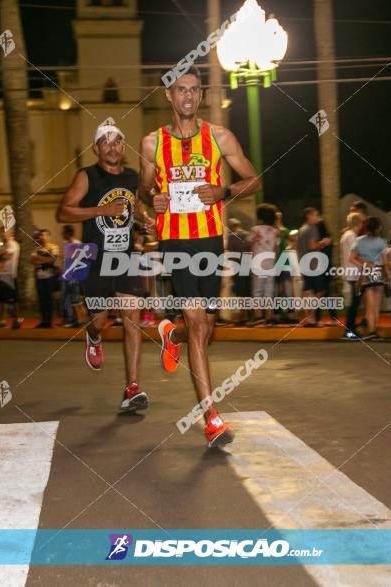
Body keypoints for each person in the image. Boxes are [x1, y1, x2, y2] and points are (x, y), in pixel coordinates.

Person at [138, 66, 260, 448]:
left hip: (209, 240)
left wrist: (223, 192)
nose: (187, 96)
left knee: (205, 327)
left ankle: (169, 331)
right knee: (197, 325)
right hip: (175, 242)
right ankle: (211, 418)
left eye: (193, 90)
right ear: (169, 97)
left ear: (201, 95)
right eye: (180, 90)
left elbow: (255, 179)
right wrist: (150, 199)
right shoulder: (151, 144)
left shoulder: (219, 137)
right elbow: (142, 188)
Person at [57, 119, 149, 411]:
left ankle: (132, 388)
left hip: (125, 257)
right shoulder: (86, 176)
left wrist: (144, 220)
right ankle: (93, 336)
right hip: (94, 258)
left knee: (132, 321)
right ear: (96, 149)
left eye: (117, 141)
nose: (112, 147)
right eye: (106, 142)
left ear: (123, 146)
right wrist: (101, 210)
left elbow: (133, 210)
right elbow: (63, 213)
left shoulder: (133, 176)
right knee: (99, 320)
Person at [350, 217, 387, 341]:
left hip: (367, 271)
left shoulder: (358, 241)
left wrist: (364, 264)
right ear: (377, 228)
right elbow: (385, 261)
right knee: (376, 304)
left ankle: (371, 331)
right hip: (379, 270)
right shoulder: (381, 241)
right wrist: (389, 277)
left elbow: (352, 258)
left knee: (370, 304)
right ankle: (374, 330)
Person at [248, 204, 279, 325]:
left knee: (257, 290)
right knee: (269, 290)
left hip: (258, 262)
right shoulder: (275, 231)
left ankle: (258, 316)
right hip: (270, 262)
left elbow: (249, 243)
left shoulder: (255, 230)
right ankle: (269, 316)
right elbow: (276, 249)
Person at [298, 207, 329, 326]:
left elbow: (298, 247)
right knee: (320, 290)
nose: (318, 217)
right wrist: (323, 242)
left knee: (307, 290)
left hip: (304, 263)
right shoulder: (312, 229)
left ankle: (308, 317)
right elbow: (312, 246)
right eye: (316, 215)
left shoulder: (301, 229)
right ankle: (311, 317)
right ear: (309, 216)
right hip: (313, 264)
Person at [340, 212, 365, 339]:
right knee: (354, 304)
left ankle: (351, 329)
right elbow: (355, 256)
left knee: (354, 304)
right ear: (358, 223)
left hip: (350, 273)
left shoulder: (346, 235)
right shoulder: (352, 236)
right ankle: (349, 330)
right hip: (353, 274)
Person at [0, 226, 22, 329]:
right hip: (0, 275)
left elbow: (6, 256)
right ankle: (2, 320)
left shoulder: (12, 244)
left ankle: (17, 319)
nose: (2, 234)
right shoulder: (1, 246)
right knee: (1, 300)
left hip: (10, 275)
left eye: (4, 231)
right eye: (1, 232)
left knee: (13, 299)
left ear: (10, 233)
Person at [30, 228, 60, 328]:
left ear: (49, 236)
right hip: (39, 277)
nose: (43, 237)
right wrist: (44, 259)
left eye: (45, 235)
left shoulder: (53, 247)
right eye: (41, 235)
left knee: (49, 299)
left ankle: (49, 321)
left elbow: (52, 260)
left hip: (49, 277)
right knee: (41, 299)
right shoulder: (37, 248)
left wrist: (39, 259)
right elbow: (32, 261)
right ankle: (43, 320)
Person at [225, 218, 251, 325]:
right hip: (248, 265)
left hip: (238, 266)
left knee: (240, 292)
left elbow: (231, 254)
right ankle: (250, 316)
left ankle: (243, 316)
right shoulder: (247, 234)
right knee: (248, 291)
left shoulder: (231, 236)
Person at [60, 225, 83, 327]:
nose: (62, 234)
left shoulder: (77, 244)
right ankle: (71, 319)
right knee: (66, 298)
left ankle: (80, 320)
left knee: (75, 298)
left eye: (63, 232)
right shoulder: (66, 244)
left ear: (68, 233)